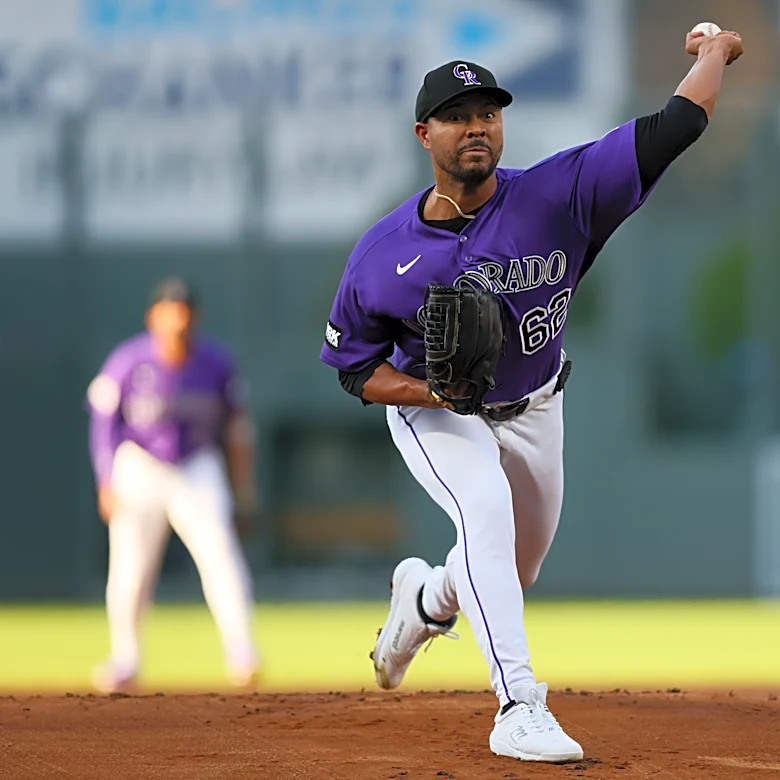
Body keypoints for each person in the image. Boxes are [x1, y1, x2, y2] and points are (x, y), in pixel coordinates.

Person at [320, 29, 744, 762]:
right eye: (457, 114)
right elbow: (355, 371)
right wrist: (432, 392)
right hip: (435, 412)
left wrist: (715, 53)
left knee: (513, 569)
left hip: (538, 402)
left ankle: (423, 601)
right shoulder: (383, 253)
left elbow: (675, 126)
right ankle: (518, 705)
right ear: (425, 134)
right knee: (483, 509)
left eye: (488, 111)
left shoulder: (558, 194)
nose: (476, 124)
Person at [87, 277, 260, 693]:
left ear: (194, 317)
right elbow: (103, 424)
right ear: (153, 317)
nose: (177, 319)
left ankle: (242, 653)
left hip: (196, 465)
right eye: (169, 310)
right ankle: (125, 659)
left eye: (183, 311)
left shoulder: (217, 363)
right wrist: (106, 478)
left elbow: (238, 431)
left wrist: (243, 489)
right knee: (130, 568)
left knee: (221, 555)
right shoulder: (127, 361)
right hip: (140, 464)